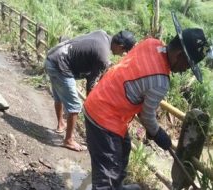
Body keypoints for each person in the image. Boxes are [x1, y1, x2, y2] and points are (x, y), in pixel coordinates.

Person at [83, 13, 210, 190]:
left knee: (124, 149)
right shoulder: (160, 82)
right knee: (106, 173)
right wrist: (158, 134)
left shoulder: (152, 43)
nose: (183, 71)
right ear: (179, 55)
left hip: (102, 101)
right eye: (187, 66)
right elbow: (146, 115)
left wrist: (153, 131)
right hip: (104, 118)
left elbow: (136, 80)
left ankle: (117, 187)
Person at [45, 30, 136, 152]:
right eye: (123, 51)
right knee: (75, 106)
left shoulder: (102, 35)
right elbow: (91, 83)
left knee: (59, 96)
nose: (121, 54)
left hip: (52, 57)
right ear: (120, 46)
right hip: (60, 66)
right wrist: (92, 105)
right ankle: (68, 140)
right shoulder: (103, 55)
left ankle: (61, 124)